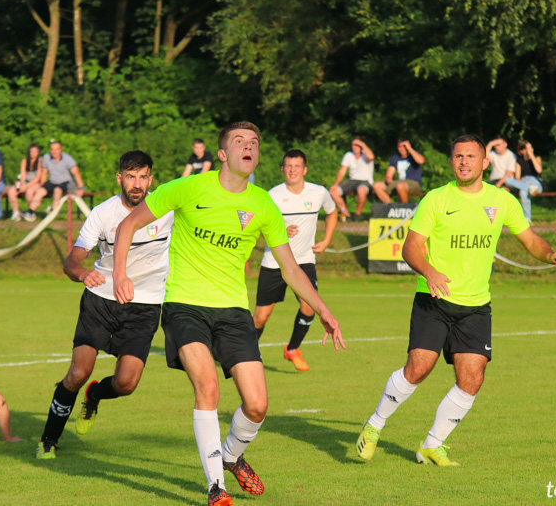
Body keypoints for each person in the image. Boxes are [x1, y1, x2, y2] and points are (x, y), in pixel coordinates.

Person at [112, 122, 346, 506]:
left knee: (257, 405)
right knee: (208, 387)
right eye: (239, 141)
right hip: (185, 306)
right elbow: (128, 224)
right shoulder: (189, 187)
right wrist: (120, 273)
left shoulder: (261, 203)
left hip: (234, 311)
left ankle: (232, 455)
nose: (248, 146)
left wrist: (323, 310)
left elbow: (289, 267)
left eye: (254, 142)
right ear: (223, 154)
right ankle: (216, 486)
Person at [355, 135, 556, 467]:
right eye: (458, 156)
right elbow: (410, 248)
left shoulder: (502, 201)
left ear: (485, 163)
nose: (465, 162)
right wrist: (429, 271)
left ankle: (432, 445)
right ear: (451, 162)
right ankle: (374, 427)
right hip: (434, 299)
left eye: (471, 156)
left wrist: (550, 254)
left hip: (475, 306)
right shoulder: (435, 199)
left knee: (472, 378)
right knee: (418, 368)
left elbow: (530, 240)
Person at [36, 150, 173, 460]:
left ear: (150, 179)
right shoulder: (103, 213)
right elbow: (73, 258)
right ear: (119, 178)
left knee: (126, 383)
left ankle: (95, 394)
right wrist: (83, 272)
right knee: (78, 371)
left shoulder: (167, 211)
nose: (136, 184)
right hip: (101, 301)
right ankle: (48, 440)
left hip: (145, 306)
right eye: (130, 176)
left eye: (142, 177)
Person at [252, 149, 339, 372]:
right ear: (282, 169)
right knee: (261, 317)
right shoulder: (271, 195)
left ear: (305, 170)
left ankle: (292, 349)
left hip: (304, 261)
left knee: (310, 306)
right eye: (288, 166)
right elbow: (258, 225)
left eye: (297, 166)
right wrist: (280, 229)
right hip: (275, 262)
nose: (292, 170)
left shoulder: (318, 193)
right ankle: (247, 352)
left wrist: (326, 240)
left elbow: (332, 211)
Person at [27, 139, 86, 216]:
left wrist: (81, 188)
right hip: (52, 182)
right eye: (52, 149)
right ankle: (30, 212)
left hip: (65, 182)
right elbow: (44, 173)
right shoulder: (46, 157)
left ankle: (52, 213)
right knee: (40, 191)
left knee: (57, 190)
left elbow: (76, 173)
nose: (54, 152)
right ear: (50, 150)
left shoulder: (67, 158)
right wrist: (42, 184)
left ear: (60, 150)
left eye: (56, 149)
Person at [486, 136, 536, 222]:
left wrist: (499, 184)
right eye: (495, 145)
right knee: (486, 192)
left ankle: (499, 218)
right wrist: (490, 144)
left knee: (503, 191)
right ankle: (490, 218)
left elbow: (509, 174)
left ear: (505, 144)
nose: (496, 146)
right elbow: (483, 159)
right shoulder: (493, 154)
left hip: (505, 180)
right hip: (494, 180)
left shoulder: (511, 155)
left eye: (498, 144)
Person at [329, 135, 375, 221]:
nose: (355, 147)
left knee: (361, 191)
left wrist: (362, 144)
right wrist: (336, 184)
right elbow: (342, 171)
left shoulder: (366, 155)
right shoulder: (348, 155)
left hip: (365, 181)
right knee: (333, 192)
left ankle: (358, 214)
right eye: (353, 145)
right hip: (352, 181)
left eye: (357, 145)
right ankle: (346, 213)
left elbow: (371, 157)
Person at [372, 137, 426, 204]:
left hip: (414, 183)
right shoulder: (395, 158)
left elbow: (421, 161)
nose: (402, 149)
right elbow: (389, 175)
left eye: (404, 146)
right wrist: (388, 179)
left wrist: (409, 148)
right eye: (400, 147)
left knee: (400, 186)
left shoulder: (414, 154)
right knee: (376, 185)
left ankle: (405, 209)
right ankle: (389, 207)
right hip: (399, 182)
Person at [515, 140, 544, 220]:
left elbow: (539, 170)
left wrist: (532, 156)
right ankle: (527, 219)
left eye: (530, 147)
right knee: (522, 191)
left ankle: (527, 218)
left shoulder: (537, 158)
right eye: (528, 148)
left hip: (536, 181)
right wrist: (525, 184)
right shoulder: (519, 161)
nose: (531, 149)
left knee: (524, 190)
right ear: (522, 151)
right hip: (524, 182)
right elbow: (517, 177)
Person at [18, 143, 43, 222]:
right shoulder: (25, 161)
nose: (33, 153)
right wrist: (22, 184)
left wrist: (26, 186)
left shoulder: (40, 161)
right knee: (13, 190)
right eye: (31, 151)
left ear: (38, 152)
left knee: (29, 191)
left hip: (37, 183)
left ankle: (30, 212)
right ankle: (20, 213)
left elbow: (38, 178)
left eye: (35, 151)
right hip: (27, 182)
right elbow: (23, 174)